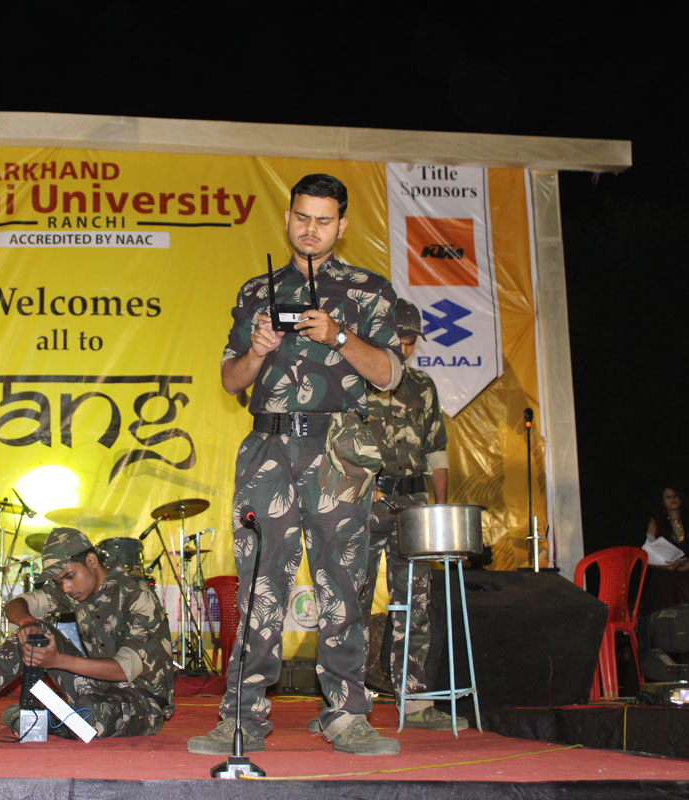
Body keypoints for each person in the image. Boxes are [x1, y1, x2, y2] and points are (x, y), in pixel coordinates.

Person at [188, 174, 404, 757]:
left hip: (338, 451)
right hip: (267, 449)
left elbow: (389, 375)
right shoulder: (257, 291)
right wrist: (256, 352)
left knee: (342, 584)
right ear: (288, 218)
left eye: (324, 220)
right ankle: (242, 718)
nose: (311, 229)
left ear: (342, 225)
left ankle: (347, 717)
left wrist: (339, 336)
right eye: (302, 217)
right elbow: (230, 380)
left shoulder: (368, 290)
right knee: (260, 582)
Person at [0, 527, 174, 738]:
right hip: (99, 686)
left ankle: (38, 718)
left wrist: (57, 660)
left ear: (91, 561)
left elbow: (123, 669)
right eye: (60, 582)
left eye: (69, 577)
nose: (66, 588)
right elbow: (16, 604)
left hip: (142, 703)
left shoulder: (136, 595)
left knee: (90, 714)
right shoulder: (78, 590)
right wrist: (28, 622)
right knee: (34, 634)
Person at [357, 298, 464, 730]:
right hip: (365, 502)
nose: (406, 347)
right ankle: (347, 705)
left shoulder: (422, 385)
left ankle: (415, 702)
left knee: (415, 602)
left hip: (413, 505)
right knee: (353, 601)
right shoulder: (356, 379)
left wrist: (439, 508)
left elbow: (436, 451)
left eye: (411, 340)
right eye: (399, 339)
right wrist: (358, 490)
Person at [643, 487, 689, 614]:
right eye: (668, 496)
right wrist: (668, 567)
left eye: (675, 495)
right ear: (663, 502)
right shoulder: (656, 523)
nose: (672, 499)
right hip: (664, 576)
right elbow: (647, 555)